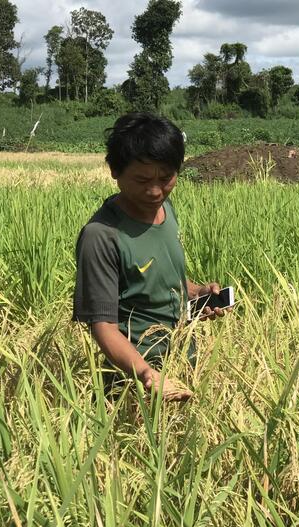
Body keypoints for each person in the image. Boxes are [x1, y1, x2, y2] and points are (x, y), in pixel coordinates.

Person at [73, 112, 227, 402]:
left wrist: (197, 293)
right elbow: (102, 326)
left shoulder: (166, 212)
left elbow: (164, 277)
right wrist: (145, 374)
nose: (155, 191)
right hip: (134, 385)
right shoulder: (101, 236)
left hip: (183, 366)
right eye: (142, 180)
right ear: (114, 171)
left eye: (166, 178)